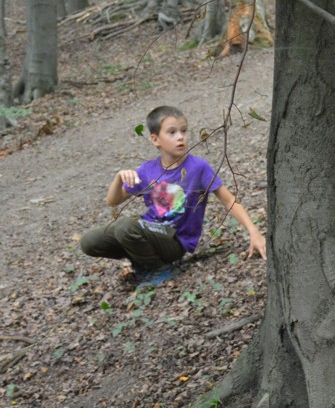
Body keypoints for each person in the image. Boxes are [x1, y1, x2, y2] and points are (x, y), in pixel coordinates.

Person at [80, 106, 267, 285]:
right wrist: (119, 177)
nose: (180, 137)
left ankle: (159, 269)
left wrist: (254, 231)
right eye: (172, 132)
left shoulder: (198, 168)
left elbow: (229, 200)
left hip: (175, 241)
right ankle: (143, 263)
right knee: (90, 241)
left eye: (184, 131)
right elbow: (113, 201)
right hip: (149, 230)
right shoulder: (147, 170)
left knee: (124, 226)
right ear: (155, 140)